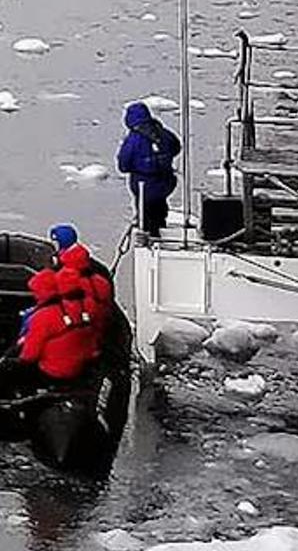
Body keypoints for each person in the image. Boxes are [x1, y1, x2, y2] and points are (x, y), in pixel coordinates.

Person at [16, 227, 116, 384]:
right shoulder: (100, 283)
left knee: (30, 321)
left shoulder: (50, 313)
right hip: (89, 343)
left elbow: (30, 354)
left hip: (57, 366)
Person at [115, 102, 184, 240]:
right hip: (164, 183)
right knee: (159, 208)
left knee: (145, 214)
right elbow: (176, 147)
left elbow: (123, 165)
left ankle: (149, 237)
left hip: (143, 186)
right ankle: (160, 228)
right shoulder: (163, 132)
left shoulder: (133, 140)